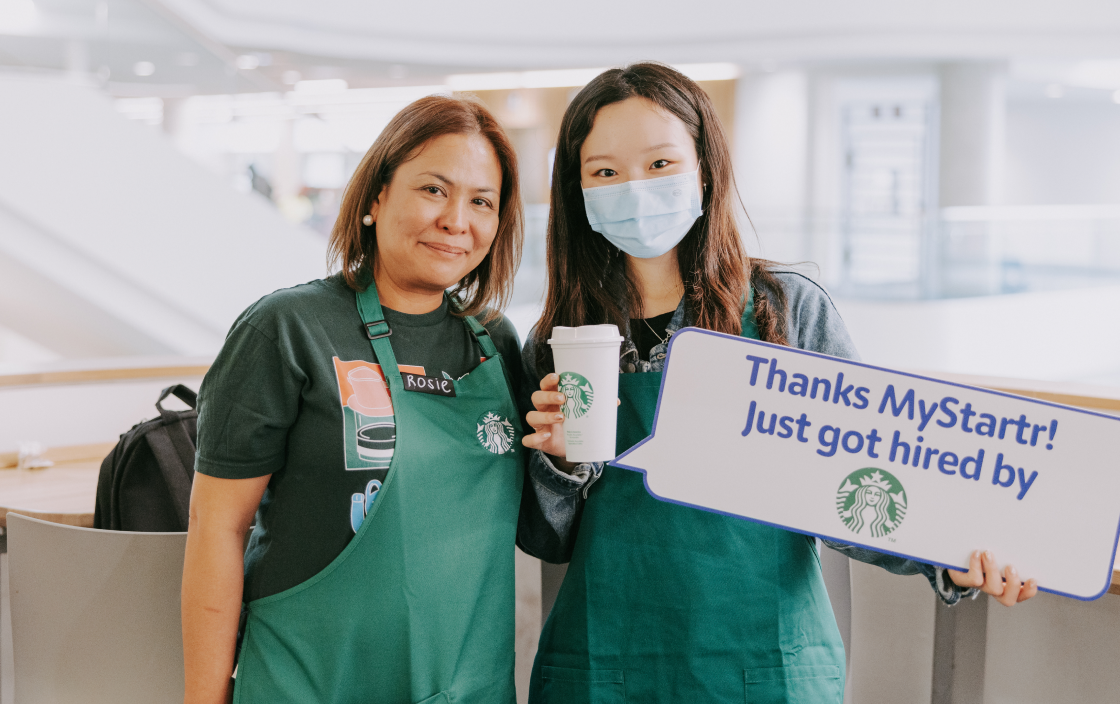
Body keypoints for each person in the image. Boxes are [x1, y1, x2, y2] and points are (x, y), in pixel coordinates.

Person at [517, 62, 1037, 703]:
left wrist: (949, 555)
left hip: (764, 668)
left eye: (659, 164)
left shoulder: (785, 312)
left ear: (704, 171)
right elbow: (546, 539)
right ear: (577, 190)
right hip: (603, 668)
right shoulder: (558, 339)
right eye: (605, 172)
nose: (634, 188)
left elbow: (859, 480)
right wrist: (562, 468)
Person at [182, 95, 526, 704]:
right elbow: (217, 529)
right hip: (311, 681)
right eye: (433, 189)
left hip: (465, 685)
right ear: (375, 198)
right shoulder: (287, 329)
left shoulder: (494, 344)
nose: (456, 220)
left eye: (481, 201)